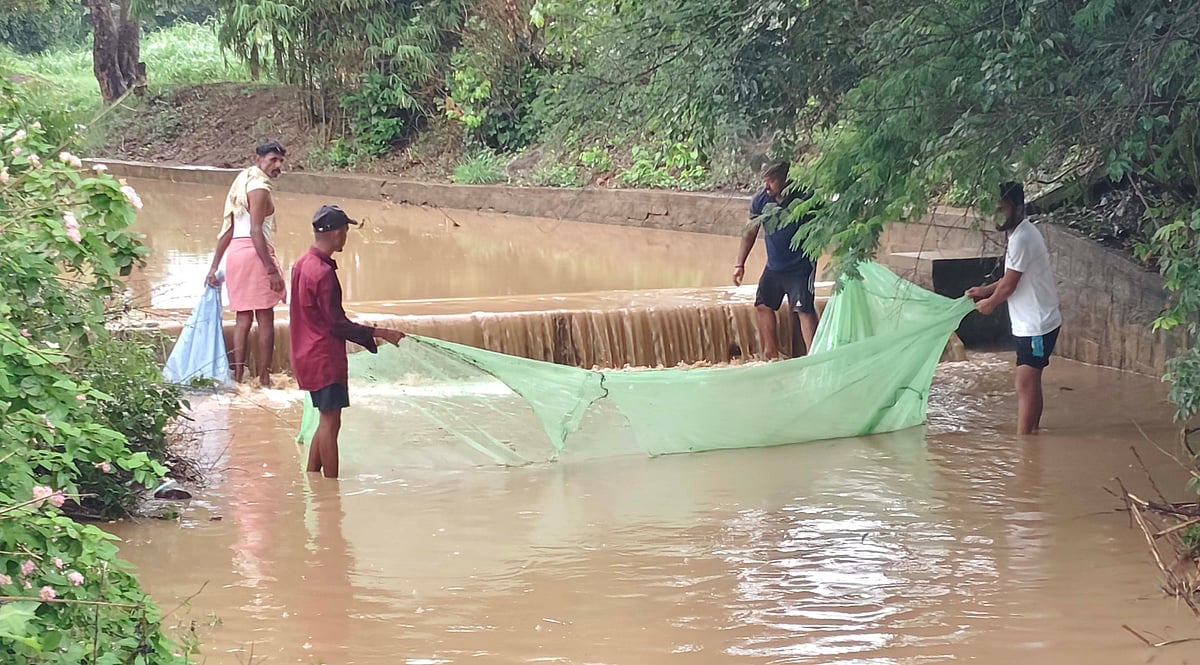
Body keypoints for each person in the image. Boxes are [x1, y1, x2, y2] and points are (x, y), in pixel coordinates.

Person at [290, 205, 405, 479]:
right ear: (336, 233)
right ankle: (331, 488)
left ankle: (312, 477)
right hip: (324, 358)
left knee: (324, 418)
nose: (346, 236)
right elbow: (337, 324)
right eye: (345, 231)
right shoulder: (323, 274)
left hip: (305, 354)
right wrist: (380, 333)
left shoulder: (302, 263)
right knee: (332, 422)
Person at [967, 182, 1062, 435]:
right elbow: (1011, 278)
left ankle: (1024, 444)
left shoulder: (1021, 238)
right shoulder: (1020, 233)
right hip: (1032, 323)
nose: (998, 216)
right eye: (995, 210)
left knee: (1024, 384)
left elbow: (1009, 286)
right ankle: (1033, 432)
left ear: (1018, 209)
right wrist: (985, 290)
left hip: (1037, 326)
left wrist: (990, 303)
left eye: (1003, 209)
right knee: (1031, 383)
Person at [205, 141, 287, 386]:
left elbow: (228, 229)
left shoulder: (241, 181)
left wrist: (214, 265)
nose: (278, 165)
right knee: (265, 318)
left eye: (281, 160)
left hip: (236, 255)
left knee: (242, 318)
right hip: (255, 252)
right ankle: (263, 377)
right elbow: (255, 231)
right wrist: (271, 269)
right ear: (259, 158)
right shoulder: (260, 187)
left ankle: (238, 376)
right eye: (273, 160)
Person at [733, 161, 819, 359]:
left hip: (800, 267)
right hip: (774, 266)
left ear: (785, 179)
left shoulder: (805, 197)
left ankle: (814, 357)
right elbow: (750, 232)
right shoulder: (761, 201)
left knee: (803, 309)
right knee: (763, 304)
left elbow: (819, 227)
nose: (767, 186)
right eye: (765, 181)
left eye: (771, 181)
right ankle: (770, 354)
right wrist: (740, 264)